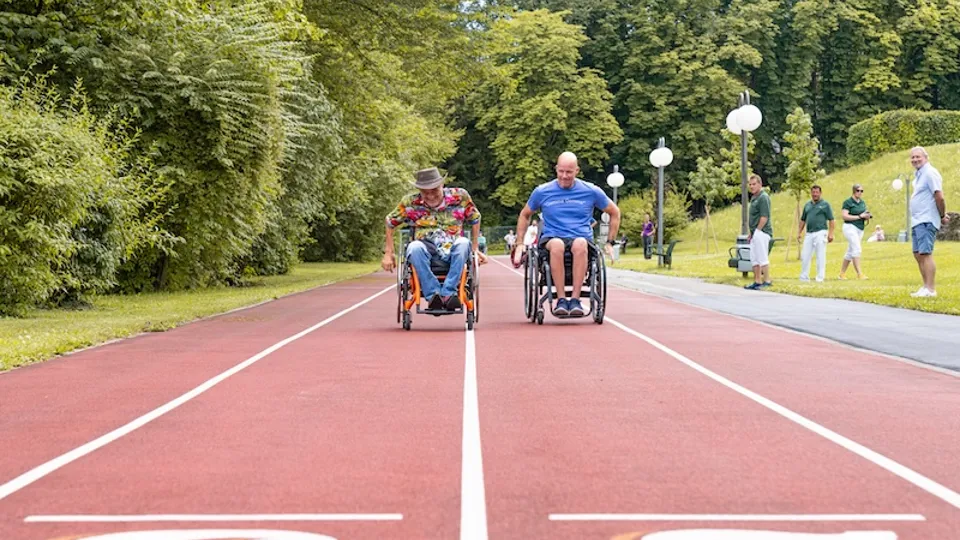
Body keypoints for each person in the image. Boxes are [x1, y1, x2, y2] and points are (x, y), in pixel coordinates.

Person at [512, 151, 621, 317]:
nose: (564, 176)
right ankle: (561, 300)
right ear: (556, 169)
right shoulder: (542, 191)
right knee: (557, 244)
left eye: (569, 172)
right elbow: (524, 214)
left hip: (581, 237)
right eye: (561, 171)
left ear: (577, 171)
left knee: (580, 243)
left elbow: (615, 212)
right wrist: (520, 243)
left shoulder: (591, 191)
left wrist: (609, 242)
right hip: (552, 237)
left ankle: (575, 300)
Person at [382, 167, 487, 311]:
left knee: (463, 243)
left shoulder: (460, 196)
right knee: (413, 247)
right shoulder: (410, 202)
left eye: (434, 190)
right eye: (425, 192)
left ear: (442, 185)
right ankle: (433, 295)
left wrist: (475, 248)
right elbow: (390, 221)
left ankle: (448, 293)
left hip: (454, 248)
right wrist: (389, 252)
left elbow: (475, 217)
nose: (430, 196)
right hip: (426, 248)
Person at [908, 146, 950, 297]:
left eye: (918, 157)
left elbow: (939, 196)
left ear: (926, 157)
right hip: (917, 220)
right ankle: (925, 287)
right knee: (917, 253)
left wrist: (942, 215)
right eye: (912, 157)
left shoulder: (930, 173)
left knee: (925, 253)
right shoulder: (919, 175)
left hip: (926, 219)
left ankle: (931, 289)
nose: (915, 159)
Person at [797, 184, 835, 282]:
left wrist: (831, 233)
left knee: (820, 255)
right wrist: (799, 232)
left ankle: (820, 277)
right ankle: (804, 277)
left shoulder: (825, 205)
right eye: (813, 192)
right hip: (809, 233)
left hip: (821, 232)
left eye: (817, 192)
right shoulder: (807, 205)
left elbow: (831, 220)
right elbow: (803, 220)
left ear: (820, 193)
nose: (815, 194)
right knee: (805, 255)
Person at [744, 174, 773, 290]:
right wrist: (751, 233)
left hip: (762, 232)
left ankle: (767, 280)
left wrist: (758, 230)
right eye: (750, 185)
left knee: (762, 256)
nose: (751, 187)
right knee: (754, 258)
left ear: (760, 184)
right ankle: (757, 280)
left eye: (754, 184)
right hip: (755, 232)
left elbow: (764, 216)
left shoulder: (763, 197)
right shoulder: (754, 198)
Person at [839, 183, 872, 280]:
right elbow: (844, 216)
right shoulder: (848, 202)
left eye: (862, 191)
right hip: (850, 227)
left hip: (860, 228)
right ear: (854, 191)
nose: (860, 193)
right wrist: (859, 216)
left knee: (850, 251)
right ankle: (859, 274)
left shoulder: (862, 202)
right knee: (857, 249)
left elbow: (864, 213)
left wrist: (866, 216)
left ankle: (842, 273)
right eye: (858, 190)